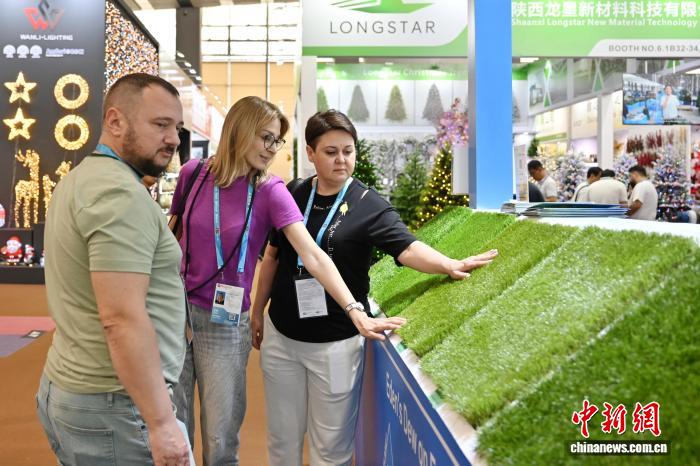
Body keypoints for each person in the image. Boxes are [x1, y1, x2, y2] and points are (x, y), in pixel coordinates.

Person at [252, 110, 498, 466]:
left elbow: (407, 248)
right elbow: (273, 255)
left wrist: (449, 264)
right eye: (331, 152)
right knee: (282, 441)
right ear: (310, 153)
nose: (341, 159)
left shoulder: (368, 204)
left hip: (336, 343)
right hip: (282, 338)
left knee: (330, 450)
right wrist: (257, 311)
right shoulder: (293, 192)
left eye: (348, 151)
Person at [170, 97, 401, 466]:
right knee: (173, 427)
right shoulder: (193, 174)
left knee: (220, 436)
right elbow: (173, 235)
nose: (272, 148)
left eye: (276, 140)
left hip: (225, 323)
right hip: (176, 313)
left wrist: (354, 309)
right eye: (266, 137)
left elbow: (313, 254)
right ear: (240, 131)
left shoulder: (271, 190)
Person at [36, 73, 194, 465]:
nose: (173, 139)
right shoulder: (119, 194)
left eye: (176, 127)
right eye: (160, 124)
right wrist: (161, 423)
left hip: (81, 390)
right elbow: (121, 319)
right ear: (115, 121)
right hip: (116, 406)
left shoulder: (82, 179)